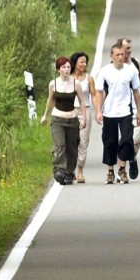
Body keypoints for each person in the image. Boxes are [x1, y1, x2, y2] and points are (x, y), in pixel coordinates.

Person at [95, 42, 140, 185]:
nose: (121, 57)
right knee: (110, 142)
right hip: (109, 112)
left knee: (127, 139)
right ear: (111, 56)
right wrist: (98, 110)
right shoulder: (104, 71)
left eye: (122, 54)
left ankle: (122, 168)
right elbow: (99, 92)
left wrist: (138, 111)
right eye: (117, 55)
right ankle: (110, 171)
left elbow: (136, 91)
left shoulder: (131, 71)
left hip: (125, 111)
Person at [40, 56, 82, 186]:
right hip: (57, 118)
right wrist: (45, 115)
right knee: (59, 145)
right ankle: (59, 170)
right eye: (64, 67)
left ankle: (69, 172)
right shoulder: (53, 84)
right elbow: (50, 100)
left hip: (72, 119)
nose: (67, 69)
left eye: (69, 67)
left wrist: (83, 118)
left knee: (72, 147)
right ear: (58, 69)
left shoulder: (76, 83)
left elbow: (82, 101)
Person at [119, 37, 140, 180]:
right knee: (124, 139)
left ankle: (132, 158)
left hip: (134, 108)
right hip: (119, 109)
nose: (129, 51)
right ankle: (123, 168)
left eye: (130, 48)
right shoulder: (113, 67)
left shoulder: (136, 64)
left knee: (136, 137)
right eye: (126, 48)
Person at [70, 51, 95, 183]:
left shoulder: (89, 78)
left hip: (85, 111)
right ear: (74, 63)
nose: (84, 64)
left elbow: (94, 95)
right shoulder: (67, 78)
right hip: (70, 111)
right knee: (71, 141)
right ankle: (70, 169)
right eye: (81, 62)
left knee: (83, 142)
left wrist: (98, 111)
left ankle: (80, 170)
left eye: (85, 62)